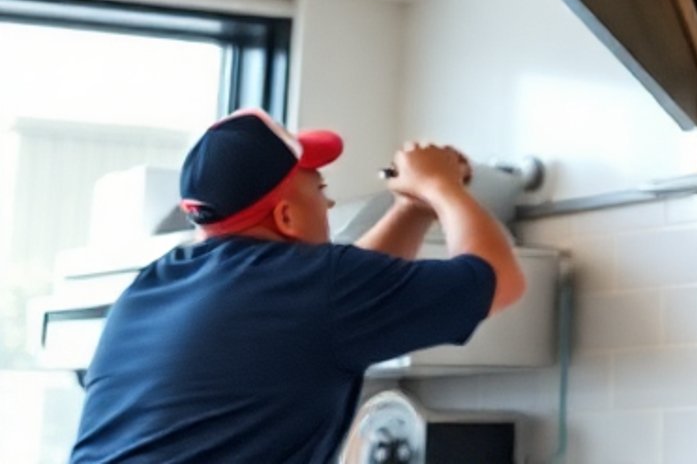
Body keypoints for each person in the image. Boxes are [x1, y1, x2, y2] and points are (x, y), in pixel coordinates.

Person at [67, 109, 527, 464]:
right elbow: (498, 278)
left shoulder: (154, 283)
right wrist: (444, 188)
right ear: (285, 218)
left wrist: (414, 207)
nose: (328, 202)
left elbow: (339, 295)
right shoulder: (315, 287)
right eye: (319, 187)